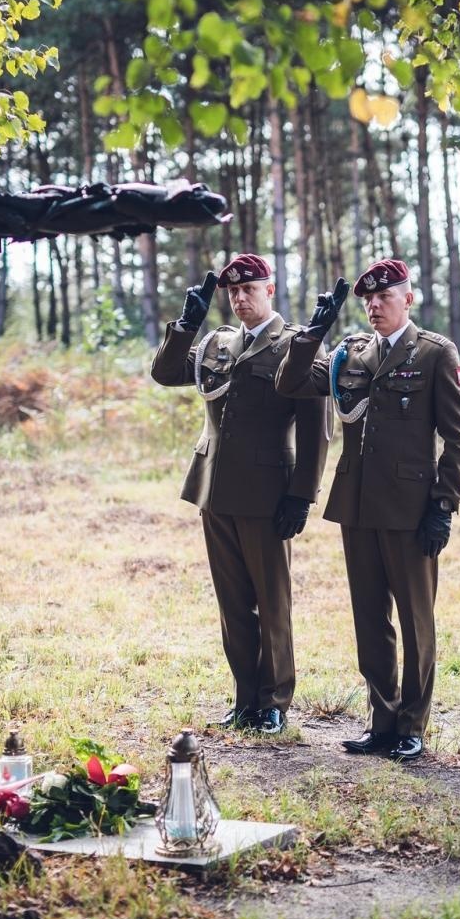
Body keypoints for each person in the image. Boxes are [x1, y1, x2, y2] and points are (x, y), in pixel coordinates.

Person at [275, 258, 460, 764]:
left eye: (385, 297)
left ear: (408, 299)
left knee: (415, 620)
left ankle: (412, 724)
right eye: (368, 300)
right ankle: (381, 720)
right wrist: (311, 335)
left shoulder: (433, 353)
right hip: (357, 504)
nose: (375, 306)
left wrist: (444, 505)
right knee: (370, 619)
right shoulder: (351, 353)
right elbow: (291, 384)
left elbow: (458, 437)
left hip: (411, 508)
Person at [151, 254, 328, 736]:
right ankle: (245, 697)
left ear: (271, 290)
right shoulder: (217, 343)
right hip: (215, 488)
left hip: (269, 491)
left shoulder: (296, 344)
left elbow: (316, 428)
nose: (240, 297)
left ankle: (274, 700)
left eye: (250, 288)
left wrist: (302, 495)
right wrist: (186, 325)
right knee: (232, 603)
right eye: (233, 291)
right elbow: (166, 373)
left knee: (272, 601)